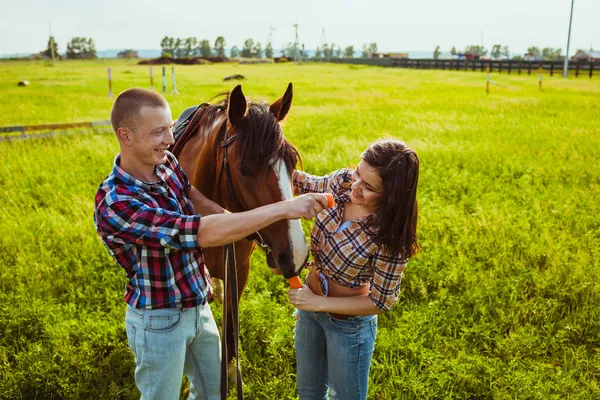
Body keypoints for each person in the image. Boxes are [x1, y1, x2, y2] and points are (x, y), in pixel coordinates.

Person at [93, 88, 329, 400]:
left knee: (212, 391)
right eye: (158, 132)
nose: (170, 138)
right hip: (158, 320)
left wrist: (226, 215)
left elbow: (191, 194)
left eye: (169, 127)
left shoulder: (165, 164)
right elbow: (196, 233)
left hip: (197, 305)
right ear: (125, 135)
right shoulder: (115, 201)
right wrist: (284, 209)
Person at [288, 139, 420, 400]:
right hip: (310, 310)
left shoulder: (391, 236)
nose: (356, 187)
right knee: (309, 394)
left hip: (348, 327)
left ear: (391, 195)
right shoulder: (343, 183)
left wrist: (318, 303)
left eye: (369, 187)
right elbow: (299, 182)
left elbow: (381, 302)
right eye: (358, 172)